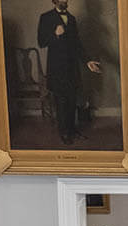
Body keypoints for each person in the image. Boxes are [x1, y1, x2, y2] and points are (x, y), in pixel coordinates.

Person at [37, 0, 102, 144]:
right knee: (61, 102)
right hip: (57, 69)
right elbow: (41, 41)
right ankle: (64, 133)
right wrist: (55, 34)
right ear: (55, 0)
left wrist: (87, 61)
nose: (65, 0)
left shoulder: (71, 19)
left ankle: (72, 130)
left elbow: (77, 44)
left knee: (72, 100)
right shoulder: (46, 17)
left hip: (72, 68)